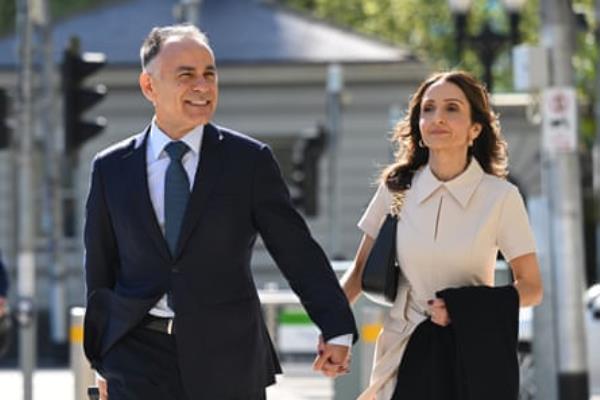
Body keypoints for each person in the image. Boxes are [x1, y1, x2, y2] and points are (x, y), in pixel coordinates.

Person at [83, 24, 357, 400]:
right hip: (135, 356)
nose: (202, 86)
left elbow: (297, 252)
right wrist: (102, 358)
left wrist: (336, 327)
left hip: (228, 357)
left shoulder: (249, 162)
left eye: (209, 74)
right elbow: (100, 270)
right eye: (186, 76)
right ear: (149, 86)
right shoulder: (111, 167)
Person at [340, 70, 543, 400]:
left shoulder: (501, 197)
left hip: (471, 353)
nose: (437, 117)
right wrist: (331, 326)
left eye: (452, 108)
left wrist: (463, 308)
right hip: (400, 352)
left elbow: (532, 287)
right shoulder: (395, 189)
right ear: (419, 126)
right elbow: (360, 271)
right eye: (428, 109)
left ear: (475, 128)